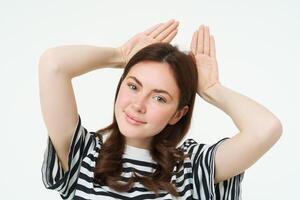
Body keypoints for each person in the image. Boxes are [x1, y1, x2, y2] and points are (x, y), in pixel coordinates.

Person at [39, 19, 283, 200]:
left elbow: (265, 129)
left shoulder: (192, 169)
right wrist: (119, 55)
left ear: (178, 113)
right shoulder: (83, 155)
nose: (138, 104)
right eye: (133, 86)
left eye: (159, 98)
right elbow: (53, 64)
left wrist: (211, 88)